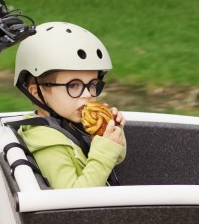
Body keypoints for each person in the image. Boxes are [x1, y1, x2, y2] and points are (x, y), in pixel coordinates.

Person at [13, 21, 127, 188]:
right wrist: (105, 150)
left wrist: (111, 134)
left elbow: (116, 158)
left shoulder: (70, 123)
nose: (88, 94)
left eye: (92, 84)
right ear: (37, 93)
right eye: (73, 85)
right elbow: (72, 198)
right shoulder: (47, 143)